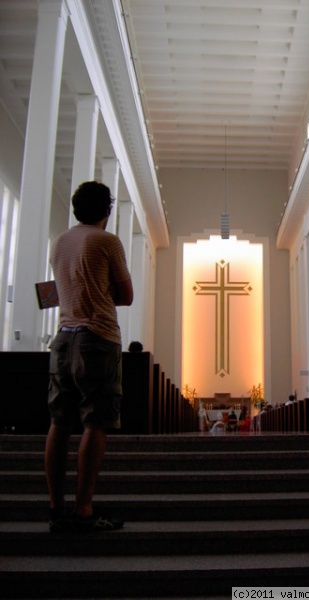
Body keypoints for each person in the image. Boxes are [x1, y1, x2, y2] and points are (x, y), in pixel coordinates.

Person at [45, 181, 133, 533]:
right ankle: (83, 509)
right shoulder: (106, 241)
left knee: (59, 423)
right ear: (106, 212)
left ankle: (56, 508)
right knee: (96, 422)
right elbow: (125, 295)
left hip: (63, 338)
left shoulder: (60, 242)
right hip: (97, 336)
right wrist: (104, 287)